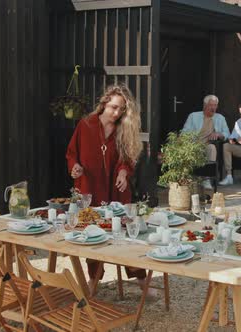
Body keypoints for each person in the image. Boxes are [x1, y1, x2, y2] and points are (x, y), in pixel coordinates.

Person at [66, 84, 148, 290]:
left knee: (126, 233)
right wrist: (74, 167)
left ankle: (140, 278)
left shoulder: (124, 128)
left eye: (121, 109)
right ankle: (93, 279)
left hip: (116, 189)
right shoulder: (85, 125)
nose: (117, 112)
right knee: (92, 233)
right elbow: (71, 153)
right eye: (113, 107)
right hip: (89, 187)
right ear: (103, 104)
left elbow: (128, 159)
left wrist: (123, 172)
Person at [182, 95, 230, 190]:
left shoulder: (220, 118)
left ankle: (206, 179)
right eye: (211, 105)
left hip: (207, 146)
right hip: (193, 145)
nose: (213, 108)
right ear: (205, 105)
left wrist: (219, 134)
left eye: (215, 105)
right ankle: (184, 178)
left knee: (211, 148)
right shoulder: (193, 116)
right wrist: (191, 140)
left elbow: (227, 133)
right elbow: (184, 132)